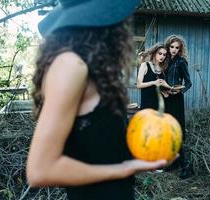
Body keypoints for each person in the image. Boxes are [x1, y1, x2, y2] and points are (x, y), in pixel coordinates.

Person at [26, 1, 168, 199]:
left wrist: (144, 152)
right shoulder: (70, 66)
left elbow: (95, 147)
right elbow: (40, 170)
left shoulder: (92, 68)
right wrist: (123, 169)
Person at [164, 35, 192, 179]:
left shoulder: (181, 62)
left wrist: (179, 90)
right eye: (172, 47)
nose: (174, 50)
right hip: (165, 99)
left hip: (176, 100)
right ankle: (173, 162)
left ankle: (186, 166)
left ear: (180, 49)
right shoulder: (165, 60)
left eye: (177, 47)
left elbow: (189, 83)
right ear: (168, 47)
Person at [136, 43, 171, 110]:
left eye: (164, 55)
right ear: (154, 53)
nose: (162, 56)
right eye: (160, 53)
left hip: (160, 105)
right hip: (147, 105)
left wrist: (166, 91)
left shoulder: (163, 69)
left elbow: (161, 88)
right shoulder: (145, 65)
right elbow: (139, 85)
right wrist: (154, 82)